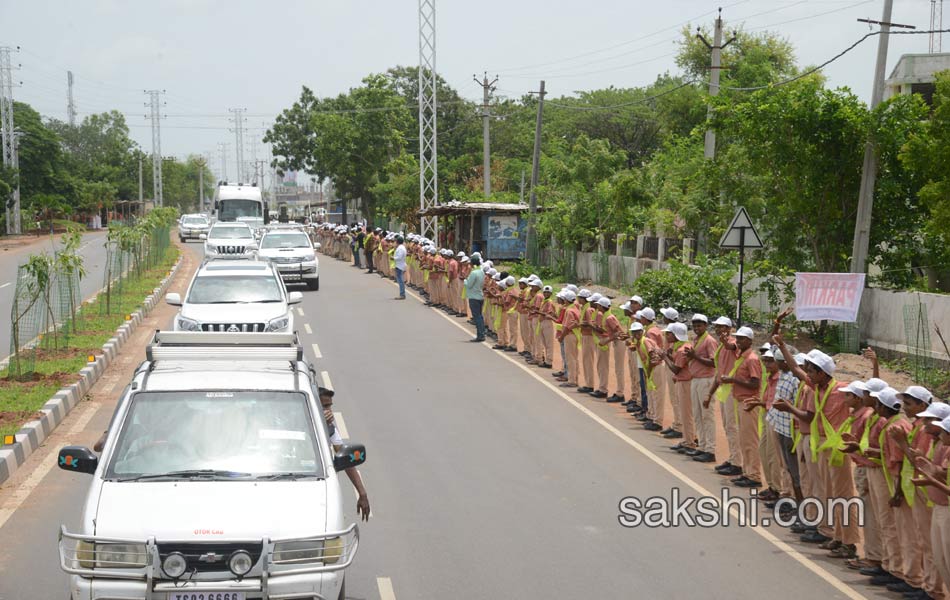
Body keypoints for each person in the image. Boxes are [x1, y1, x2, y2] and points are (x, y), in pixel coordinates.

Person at [318, 387, 370, 521]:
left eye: (330, 406)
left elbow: (345, 457)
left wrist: (362, 493)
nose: (328, 411)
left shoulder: (330, 428)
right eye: (324, 406)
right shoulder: (300, 424)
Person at [686, 314, 718, 463]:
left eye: (700, 325)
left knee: (707, 415)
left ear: (705, 326)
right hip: (696, 379)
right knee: (698, 415)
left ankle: (710, 449)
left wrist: (695, 357)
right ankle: (703, 446)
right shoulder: (696, 339)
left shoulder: (709, 341)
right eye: (695, 325)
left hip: (706, 380)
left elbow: (713, 363)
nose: (697, 328)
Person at [464, 256, 485, 342]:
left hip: (474, 296)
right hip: (480, 295)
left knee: (477, 317)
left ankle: (480, 335)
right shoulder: (481, 272)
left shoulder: (474, 273)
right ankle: (481, 333)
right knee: (480, 316)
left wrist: (465, 280)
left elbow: (469, 285)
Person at [393, 235, 408, 300]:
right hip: (399, 264)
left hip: (400, 265)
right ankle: (402, 294)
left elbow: (399, 257)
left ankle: (402, 294)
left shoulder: (401, 248)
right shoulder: (401, 247)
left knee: (400, 281)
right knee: (400, 280)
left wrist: (393, 258)